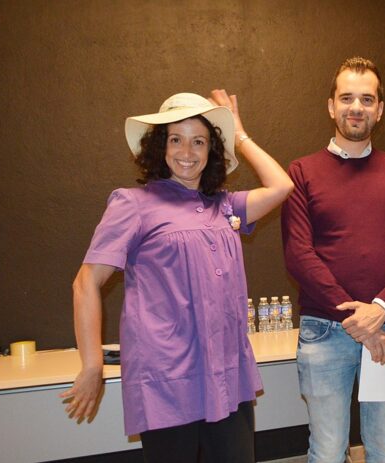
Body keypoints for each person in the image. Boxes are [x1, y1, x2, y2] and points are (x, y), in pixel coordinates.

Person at [61, 90, 294, 463]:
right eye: (176, 139)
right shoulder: (133, 204)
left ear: (211, 150)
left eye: (199, 141)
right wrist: (92, 365)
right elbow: (85, 282)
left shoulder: (224, 205)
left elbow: (282, 187)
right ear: (160, 147)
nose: (187, 151)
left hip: (226, 374)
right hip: (166, 379)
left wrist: (238, 135)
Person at [281, 57, 385, 463]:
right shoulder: (301, 172)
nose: (356, 107)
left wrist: (379, 311)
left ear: (380, 109)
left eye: (367, 99)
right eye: (347, 98)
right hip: (325, 333)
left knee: (384, 447)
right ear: (331, 106)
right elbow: (298, 255)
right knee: (328, 450)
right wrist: (359, 320)